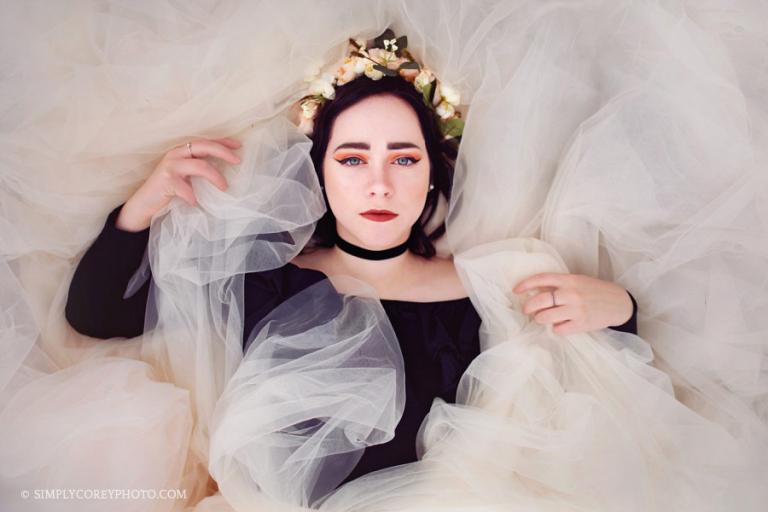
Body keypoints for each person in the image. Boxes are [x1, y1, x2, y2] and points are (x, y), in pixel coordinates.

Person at [65, 37, 639, 491]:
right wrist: (145, 201)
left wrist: (621, 309)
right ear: (319, 173)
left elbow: (586, 391)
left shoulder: (492, 287)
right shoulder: (264, 282)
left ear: (433, 172)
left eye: (405, 158)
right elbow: (95, 315)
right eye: (353, 158)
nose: (380, 185)